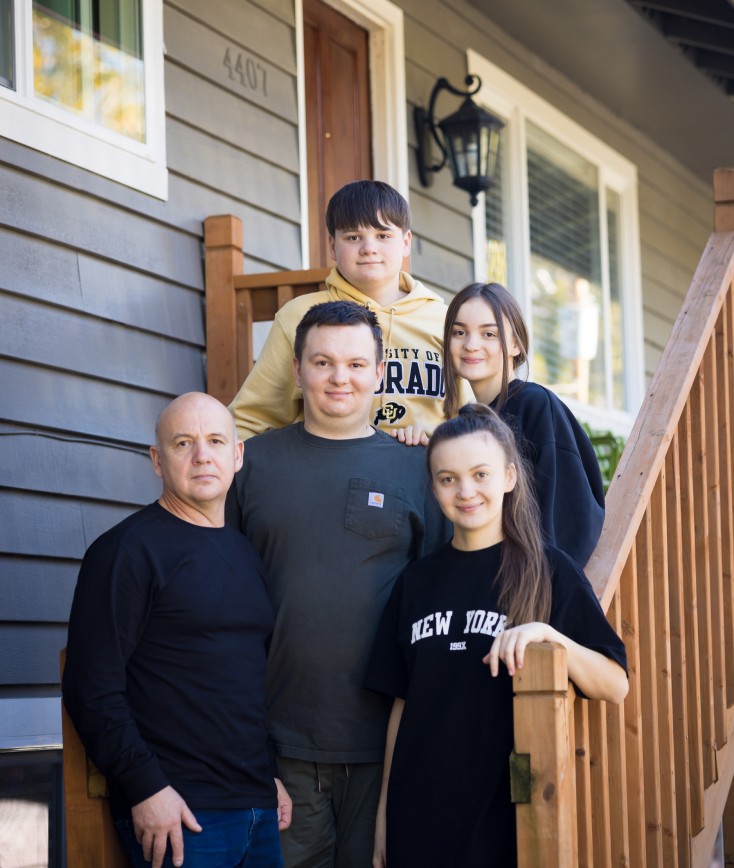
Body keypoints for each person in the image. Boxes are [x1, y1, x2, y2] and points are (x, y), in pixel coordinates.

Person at [226, 301, 449, 868]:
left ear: (379, 373)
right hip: (281, 744)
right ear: (297, 370)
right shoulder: (250, 465)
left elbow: (443, 595)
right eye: (322, 362)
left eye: (355, 364)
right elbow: (219, 596)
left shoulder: (415, 468)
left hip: (387, 742)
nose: (339, 377)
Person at [366, 404, 628, 868]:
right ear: (434, 487)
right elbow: (401, 706)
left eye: (480, 474)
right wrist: (385, 813)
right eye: (448, 479)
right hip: (419, 814)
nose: (466, 491)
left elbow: (615, 683)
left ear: (508, 477)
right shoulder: (417, 582)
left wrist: (550, 636)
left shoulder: (549, 571)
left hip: (505, 818)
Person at [62, 392, 291, 868]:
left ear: (237, 454)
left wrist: (267, 775)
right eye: (183, 442)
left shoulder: (246, 554)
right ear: (157, 460)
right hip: (179, 812)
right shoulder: (126, 551)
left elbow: (242, 680)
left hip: (255, 806)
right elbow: (92, 688)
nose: (202, 455)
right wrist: (146, 787)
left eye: (215, 441)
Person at [229, 179, 469, 445]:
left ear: (405, 242)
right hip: (328, 470)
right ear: (332, 245)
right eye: (353, 237)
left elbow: (469, 420)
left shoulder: (443, 320)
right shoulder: (300, 317)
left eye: (383, 235)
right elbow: (252, 418)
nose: (369, 248)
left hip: (423, 474)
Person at [442, 281, 605, 565]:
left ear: (515, 344)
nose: (471, 344)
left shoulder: (535, 405)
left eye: (488, 333)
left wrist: (544, 587)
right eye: (459, 332)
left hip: (529, 590)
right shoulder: (464, 423)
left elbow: (568, 514)